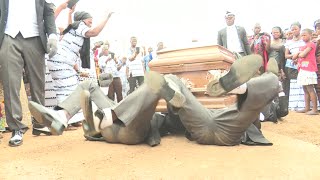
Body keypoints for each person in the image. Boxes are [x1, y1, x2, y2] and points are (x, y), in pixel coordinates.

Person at [28, 55, 276, 146]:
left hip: (123, 125)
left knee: (161, 82)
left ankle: (238, 86)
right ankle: (60, 116)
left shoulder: (258, 108)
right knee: (90, 84)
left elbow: (263, 107)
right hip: (124, 121)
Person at [0, 0, 58, 147]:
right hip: (8, 36)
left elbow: (48, 11)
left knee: (38, 84)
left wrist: (52, 34)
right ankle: (16, 128)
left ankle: (40, 123)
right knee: (10, 84)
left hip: (36, 38)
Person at [47, 11, 114, 103]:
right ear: (83, 20)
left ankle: (63, 114)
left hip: (63, 63)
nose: (91, 24)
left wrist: (79, 71)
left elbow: (72, 57)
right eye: (89, 21)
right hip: (61, 63)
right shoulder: (80, 25)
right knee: (69, 94)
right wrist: (107, 18)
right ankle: (62, 114)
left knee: (67, 92)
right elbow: (94, 32)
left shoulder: (74, 30)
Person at [292, 29, 318, 115]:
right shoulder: (304, 46)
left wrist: (299, 53)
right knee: (305, 89)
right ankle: (307, 108)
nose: (303, 37)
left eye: (305, 35)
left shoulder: (311, 44)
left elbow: (302, 55)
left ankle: (314, 109)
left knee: (310, 89)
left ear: (310, 35)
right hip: (302, 69)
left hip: (309, 69)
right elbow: (294, 57)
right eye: (302, 35)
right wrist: (299, 53)